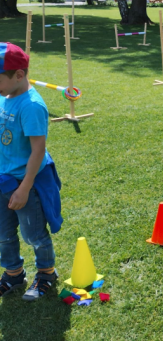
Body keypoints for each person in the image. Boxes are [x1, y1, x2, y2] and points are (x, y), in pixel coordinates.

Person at [0, 43, 63, 301]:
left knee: (33, 234)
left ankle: (47, 273)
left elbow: (38, 151)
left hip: (27, 182)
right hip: (4, 181)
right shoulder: (5, 95)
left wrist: (24, 188)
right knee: (3, 234)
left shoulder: (32, 106)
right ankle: (14, 274)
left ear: (19, 75)